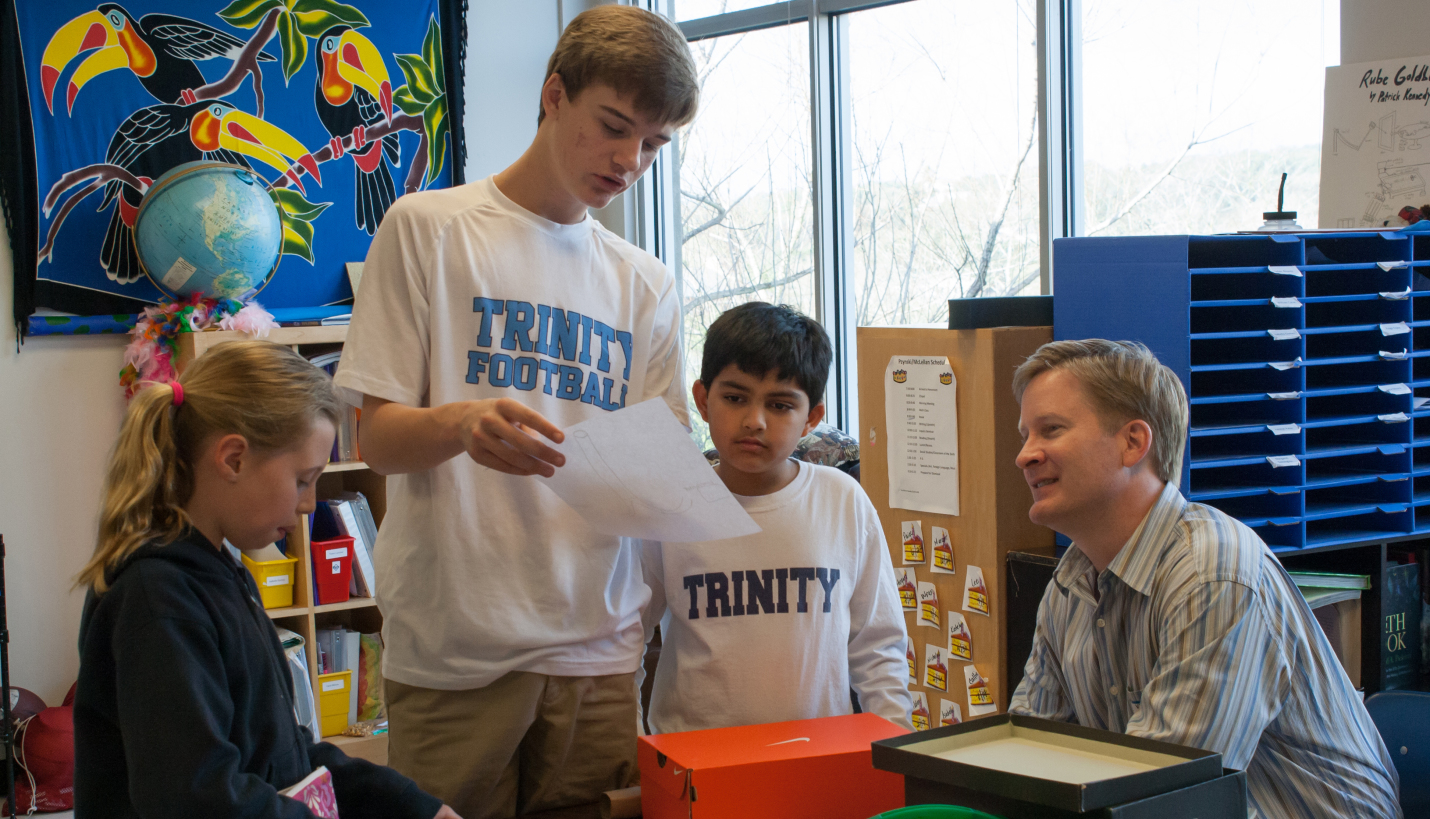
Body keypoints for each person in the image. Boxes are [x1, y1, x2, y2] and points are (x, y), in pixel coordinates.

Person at [329, 7, 699, 817]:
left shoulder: (644, 282)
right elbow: (378, 441)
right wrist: (460, 424)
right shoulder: (428, 229)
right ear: (554, 94)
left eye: (653, 145)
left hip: (599, 651)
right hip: (458, 650)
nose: (628, 160)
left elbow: (661, 464)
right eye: (613, 127)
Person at [1008, 339, 1400, 819]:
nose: (1025, 455)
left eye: (1050, 430)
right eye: (1025, 435)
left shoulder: (1212, 572)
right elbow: (1026, 758)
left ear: (1133, 442)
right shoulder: (1072, 581)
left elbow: (1165, 798)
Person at [73, 340, 459, 819]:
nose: (308, 504)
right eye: (302, 479)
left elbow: (288, 756)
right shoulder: (157, 600)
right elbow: (195, 798)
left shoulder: (224, 574)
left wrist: (415, 808)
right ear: (233, 459)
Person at [639, 302, 912, 734]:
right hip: (694, 763)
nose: (755, 421)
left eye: (781, 405)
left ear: (812, 418)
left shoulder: (842, 500)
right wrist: (635, 746)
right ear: (702, 401)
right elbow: (628, 635)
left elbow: (878, 647)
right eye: (734, 398)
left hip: (817, 758)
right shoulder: (670, 506)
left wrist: (895, 750)